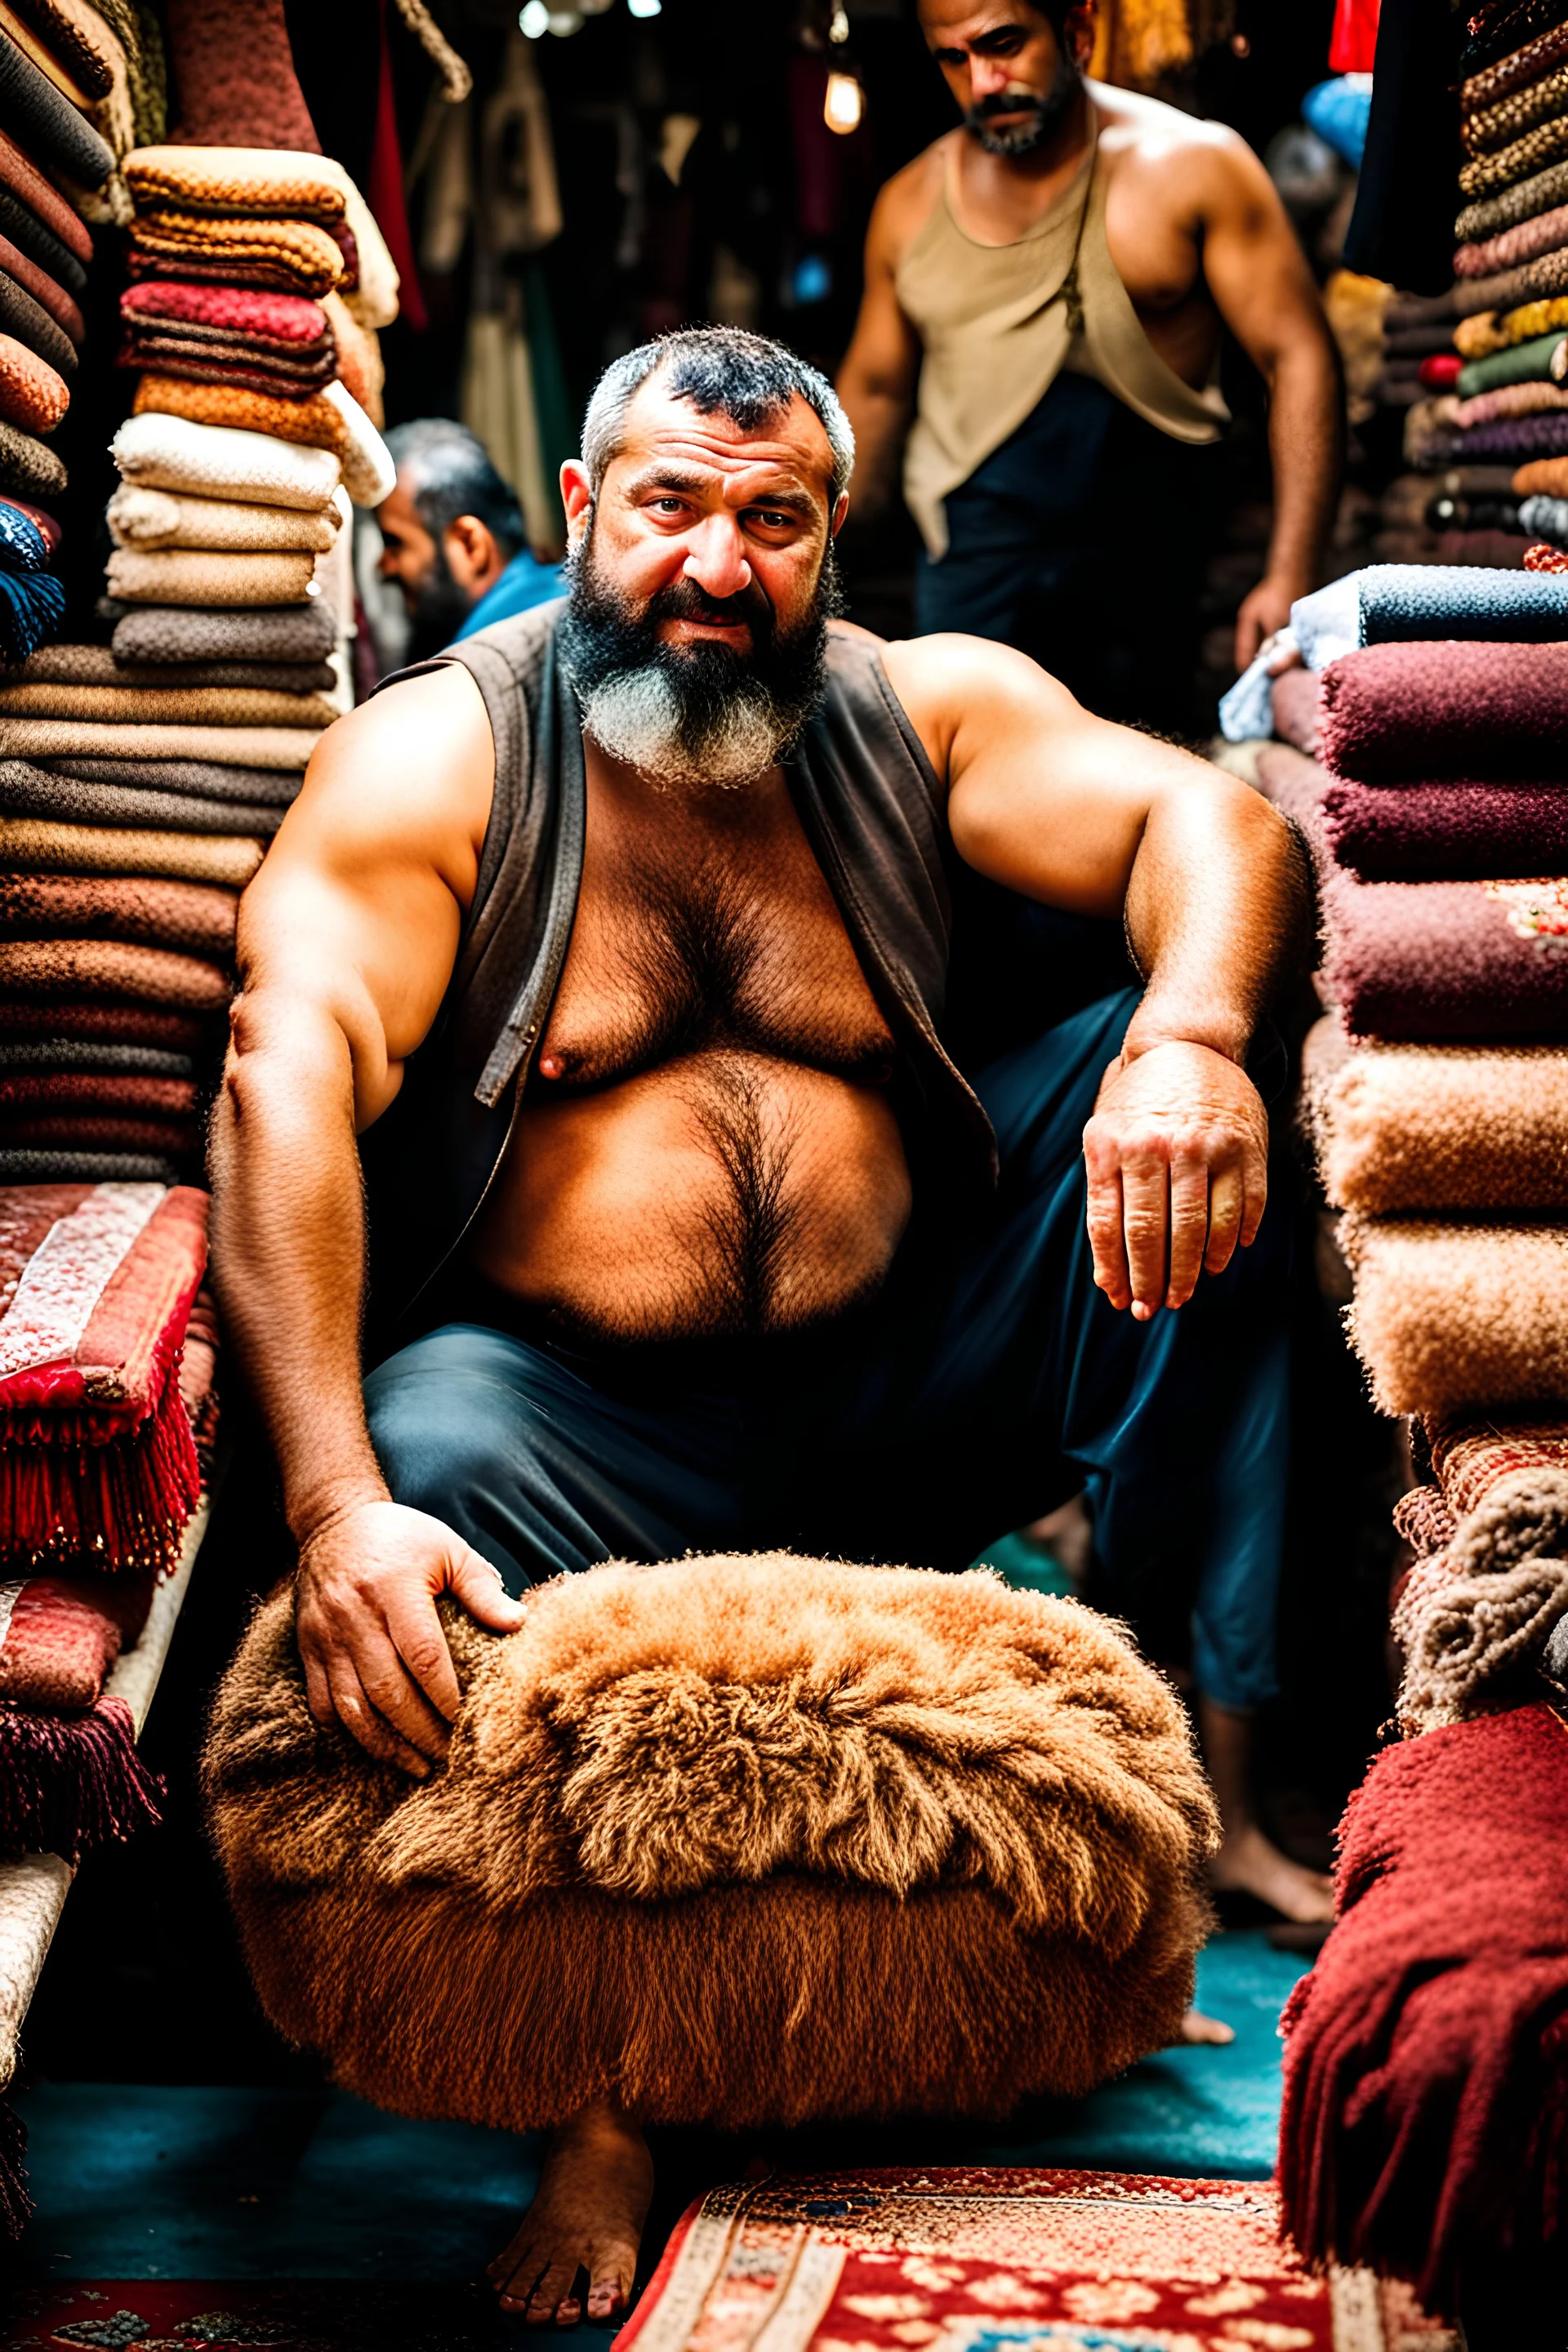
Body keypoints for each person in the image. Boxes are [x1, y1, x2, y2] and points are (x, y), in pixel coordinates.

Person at [209, 326, 1318, 2329]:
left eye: (772, 519)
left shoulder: (921, 707)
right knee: (425, 1456)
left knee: (1213, 1146)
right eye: (670, 510)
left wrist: (1190, 1040)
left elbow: (1215, 825)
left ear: (829, 535)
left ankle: (1212, 1804)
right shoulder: (438, 753)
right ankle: (610, 2088)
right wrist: (328, 1496)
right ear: (577, 511)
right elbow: (283, 1075)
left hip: (901, 1373)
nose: (717, 567)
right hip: (571, 1412)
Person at [835, 0, 1342, 728]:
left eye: (1003, 44)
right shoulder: (908, 205)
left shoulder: (1194, 167)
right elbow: (876, 391)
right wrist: (809, 551)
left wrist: (1292, 572)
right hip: (971, 564)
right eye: (954, 58)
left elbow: (1296, 356)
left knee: (1140, 795)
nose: (983, 82)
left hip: (1145, 569)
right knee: (962, 799)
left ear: (1077, 30)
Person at [375, 417, 564, 663]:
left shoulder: (476, 669)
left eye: (395, 542)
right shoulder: (570, 599)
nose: (384, 566)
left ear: (470, 545)